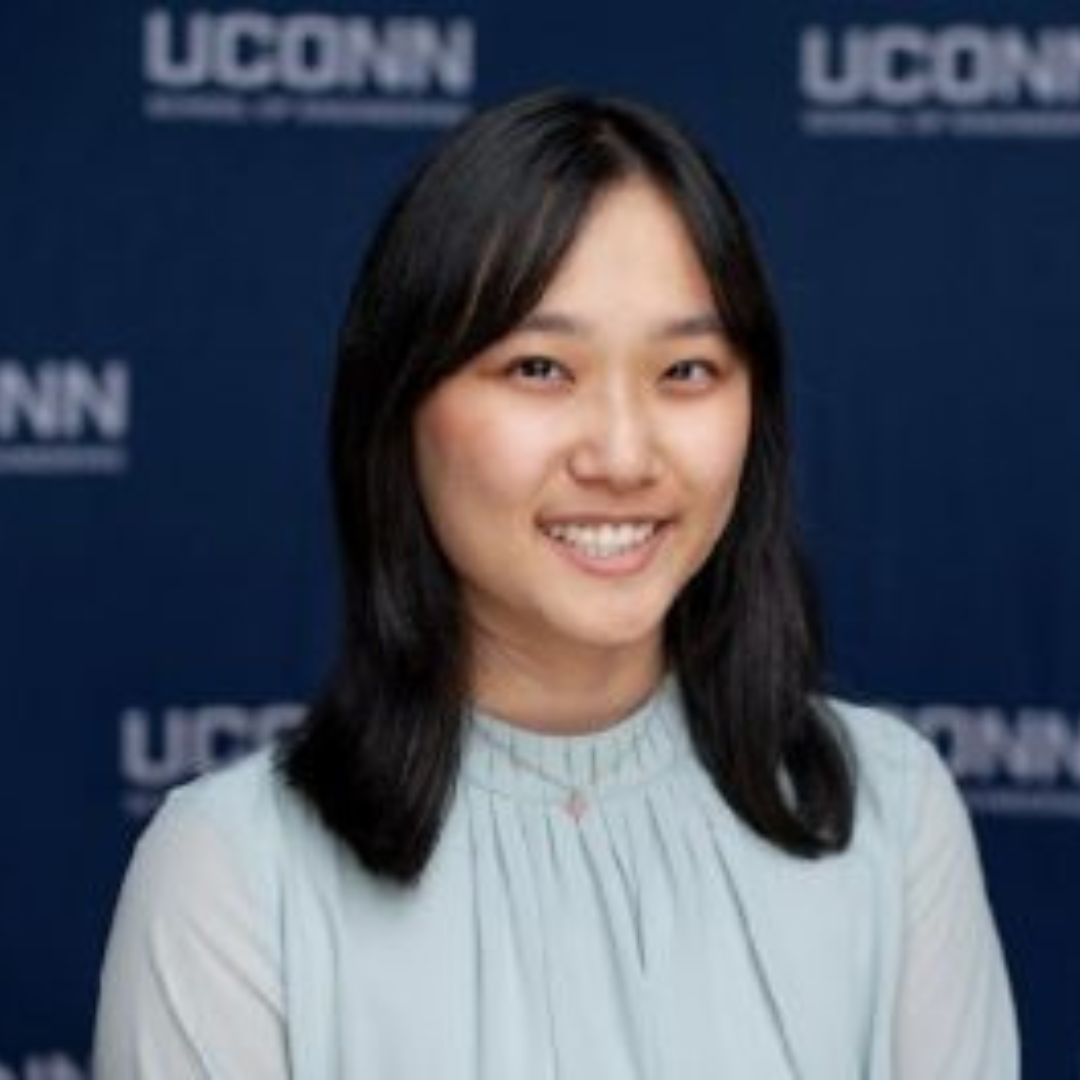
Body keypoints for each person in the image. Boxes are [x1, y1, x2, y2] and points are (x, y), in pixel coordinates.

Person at [93, 89, 1019, 1078]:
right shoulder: (232, 874)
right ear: (399, 410)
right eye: (539, 368)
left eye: (688, 371)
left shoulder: (889, 813)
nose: (624, 454)